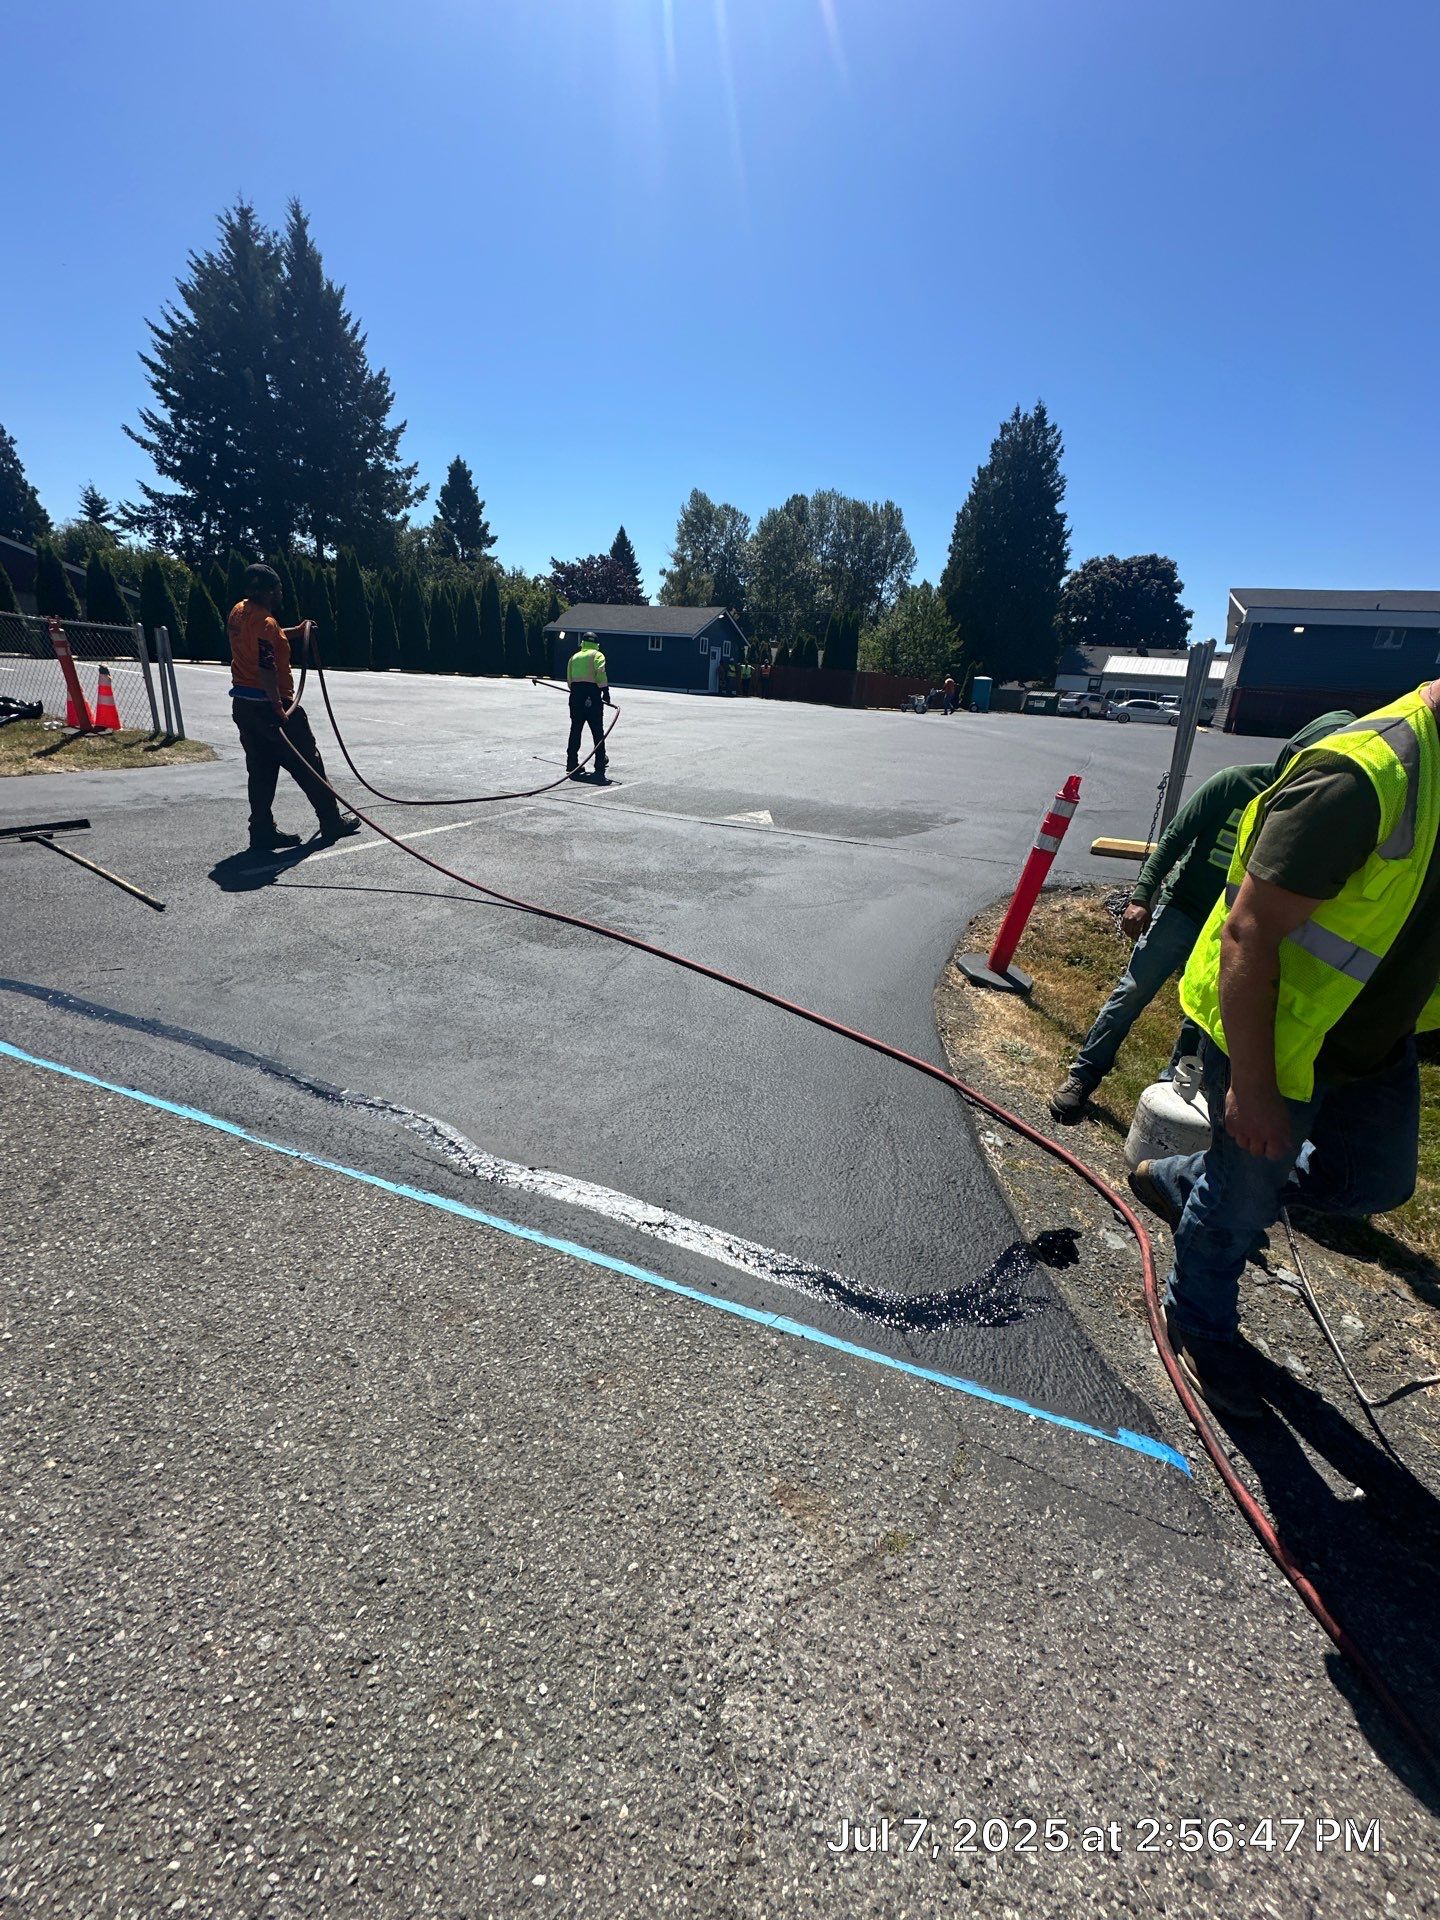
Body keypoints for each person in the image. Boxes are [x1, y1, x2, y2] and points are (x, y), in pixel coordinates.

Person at [1128, 680, 1440, 1419]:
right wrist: (1255, 1089)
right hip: (1280, 1034)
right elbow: (1249, 932)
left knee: (1374, 1183)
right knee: (1241, 1204)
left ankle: (1190, 1176)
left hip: (1374, 1043)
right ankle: (1198, 1323)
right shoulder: (1363, 775)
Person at [1049, 713, 1353, 1123]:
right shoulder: (1234, 784)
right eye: (1304, 758)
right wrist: (1142, 896)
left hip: (1230, 930)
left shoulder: (1310, 813)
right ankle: (1084, 1076)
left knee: (1200, 1017)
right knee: (1133, 992)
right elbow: (1175, 836)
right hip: (1185, 909)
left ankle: (1171, 1095)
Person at [227, 565, 359, 853]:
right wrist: (277, 705)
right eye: (279, 590)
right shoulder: (266, 622)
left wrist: (298, 632)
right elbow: (266, 663)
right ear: (271, 591)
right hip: (271, 706)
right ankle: (331, 820)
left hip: (244, 707)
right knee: (308, 762)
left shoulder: (240, 611)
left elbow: (264, 638)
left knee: (261, 769)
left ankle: (260, 830)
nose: (280, 594)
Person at [566, 631, 610, 781]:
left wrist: (577, 693)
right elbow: (601, 672)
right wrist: (605, 691)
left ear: (583, 643)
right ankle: (599, 762)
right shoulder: (597, 655)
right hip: (592, 695)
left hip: (576, 696)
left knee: (575, 729)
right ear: (596, 643)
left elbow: (569, 680)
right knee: (597, 730)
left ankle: (572, 763)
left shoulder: (574, 657)